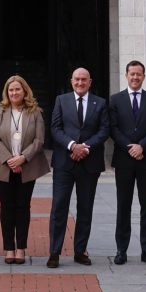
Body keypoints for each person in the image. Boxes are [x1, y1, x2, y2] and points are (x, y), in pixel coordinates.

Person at [46, 66, 110, 267]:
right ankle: (54, 252)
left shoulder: (100, 103)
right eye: (77, 79)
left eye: (84, 79)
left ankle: (80, 251)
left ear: (90, 82)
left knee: (85, 208)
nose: (80, 83)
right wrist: (73, 145)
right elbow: (55, 128)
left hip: (89, 164)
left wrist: (85, 147)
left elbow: (104, 130)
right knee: (59, 207)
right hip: (65, 163)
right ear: (71, 81)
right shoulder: (61, 100)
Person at [0, 73, 50, 263]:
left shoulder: (35, 112)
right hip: (3, 166)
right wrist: (9, 160)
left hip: (27, 166)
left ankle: (20, 247)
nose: (14, 92)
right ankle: (9, 248)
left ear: (24, 90)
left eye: (17, 89)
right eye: (11, 90)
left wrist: (22, 158)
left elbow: (39, 140)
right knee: (6, 207)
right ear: (7, 92)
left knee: (23, 207)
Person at [108, 59, 146, 265]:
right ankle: (121, 249)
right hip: (124, 160)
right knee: (124, 205)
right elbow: (113, 129)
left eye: (139, 74)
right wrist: (130, 147)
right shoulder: (115, 100)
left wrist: (142, 146)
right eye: (132, 74)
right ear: (126, 75)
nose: (135, 77)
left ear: (144, 76)